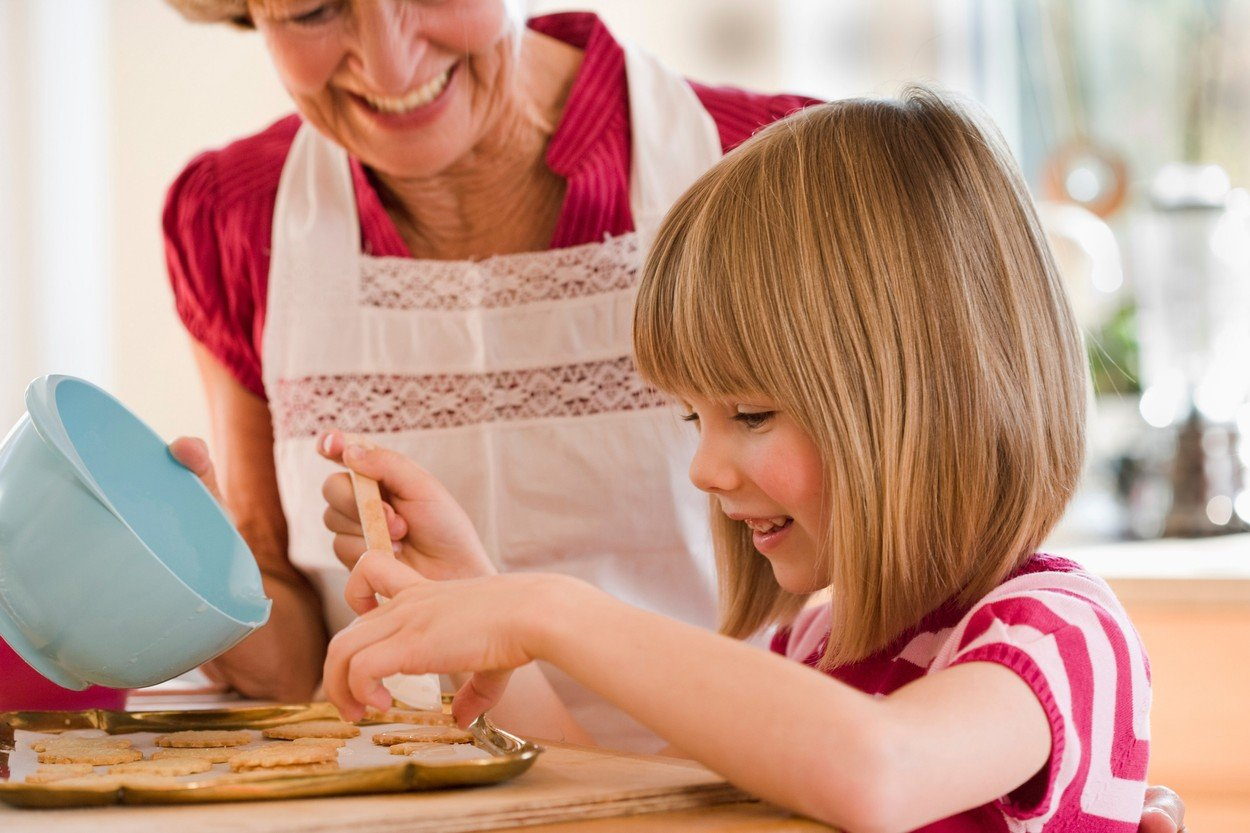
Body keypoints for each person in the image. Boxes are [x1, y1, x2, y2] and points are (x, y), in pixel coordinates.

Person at [317, 89, 1172, 831]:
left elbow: (881, 772)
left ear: (931, 391)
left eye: (751, 413)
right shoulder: (811, 647)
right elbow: (625, 788)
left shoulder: (1057, 634)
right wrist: (477, 591)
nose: (705, 468)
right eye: (696, 416)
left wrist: (552, 611)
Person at [161, 0, 817, 751]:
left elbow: (899, 587)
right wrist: (191, 578)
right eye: (312, 9)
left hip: (748, 784)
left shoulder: (777, 169)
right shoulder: (234, 216)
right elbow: (294, 670)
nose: (389, 66)